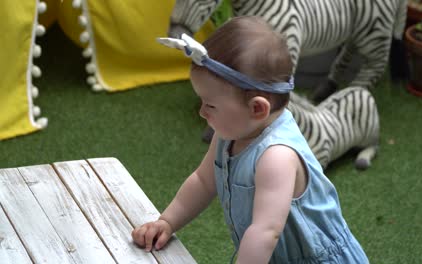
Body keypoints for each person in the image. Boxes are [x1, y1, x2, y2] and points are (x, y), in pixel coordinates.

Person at [132, 16, 369, 263]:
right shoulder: (229, 134)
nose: (202, 112)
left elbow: (264, 233)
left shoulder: (276, 156)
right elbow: (203, 181)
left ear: (257, 109)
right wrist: (167, 221)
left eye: (210, 105)